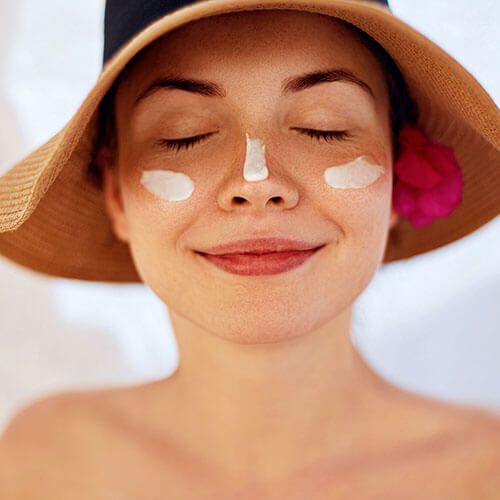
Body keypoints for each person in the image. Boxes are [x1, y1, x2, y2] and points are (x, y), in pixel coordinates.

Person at [1, 0, 499, 497]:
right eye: (185, 135)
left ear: (398, 171)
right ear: (115, 195)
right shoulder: (39, 464)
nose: (256, 181)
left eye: (323, 127)